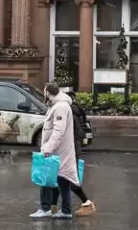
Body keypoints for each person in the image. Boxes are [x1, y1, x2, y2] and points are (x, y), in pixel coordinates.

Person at [32, 85, 85, 220]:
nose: (43, 94)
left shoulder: (60, 107)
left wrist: (48, 149)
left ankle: (45, 208)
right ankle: (66, 210)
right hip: (58, 150)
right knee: (63, 179)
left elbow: (58, 131)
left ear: (48, 93)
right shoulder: (56, 105)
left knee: (46, 177)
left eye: (44, 91)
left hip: (56, 150)